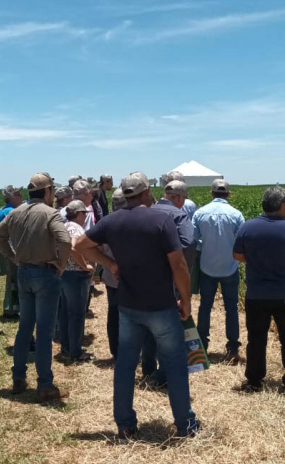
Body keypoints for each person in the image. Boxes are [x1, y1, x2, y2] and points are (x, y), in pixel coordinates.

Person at [75, 173, 199, 439]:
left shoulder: (112, 221)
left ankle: (125, 424)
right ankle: (185, 424)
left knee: (126, 365)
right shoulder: (162, 220)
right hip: (161, 306)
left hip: (128, 306)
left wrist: (109, 265)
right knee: (175, 364)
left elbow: (80, 244)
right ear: (145, 193)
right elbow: (179, 265)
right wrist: (186, 300)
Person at [0, 173, 72, 403]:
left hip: (23, 272)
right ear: (47, 191)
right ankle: (45, 385)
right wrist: (62, 264)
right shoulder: (50, 213)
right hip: (45, 273)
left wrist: (13, 257)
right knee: (44, 332)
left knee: (24, 327)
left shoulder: (16, 213)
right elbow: (65, 240)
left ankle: (18, 378)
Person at [233, 186, 285, 394]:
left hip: (257, 294)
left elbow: (237, 256)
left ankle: (254, 380)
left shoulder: (247, 228)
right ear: (282, 205)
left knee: (256, 339)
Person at [141, 180, 196, 383]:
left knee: (147, 326)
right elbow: (189, 242)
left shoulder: (146, 212)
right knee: (167, 328)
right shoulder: (178, 215)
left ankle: (147, 368)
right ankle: (164, 373)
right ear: (178, 198)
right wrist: (180, 266)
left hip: (145, 278)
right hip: (168, 279)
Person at [191, 178, 245, 363]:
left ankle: (202, 347)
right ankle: (232, 349)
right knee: (232, 309)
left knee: (205, 307)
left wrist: (205, 246)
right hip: (230, 267)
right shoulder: (236, 215)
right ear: (228, 194)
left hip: (207, 267)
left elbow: (193, 240)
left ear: (211, 193)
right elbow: (241, 241)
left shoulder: (200, 213)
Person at [58, 200, 95, 363]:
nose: (85, 217)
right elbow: (73, 248)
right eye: (84, 214)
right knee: (77, 314)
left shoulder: (64, 226)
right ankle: (75, 351)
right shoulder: (74, 228)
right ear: (78, 214)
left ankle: (67, 347)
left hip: (65, 273)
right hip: (76, 275)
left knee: (65, 312)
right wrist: (85, 265)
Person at [99, 189, 126, 359]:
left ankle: (116, 351)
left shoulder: (105, 222)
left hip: (111, 276)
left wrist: (107, 263)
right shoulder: (132, 221)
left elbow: (95, 247)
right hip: (129, 277)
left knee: (114, 312)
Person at [0, 185, 23, 319]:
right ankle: (10, 309)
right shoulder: (10, 212)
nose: (21, 196)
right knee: (13, 280)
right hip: (11, 251)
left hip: (11, 249)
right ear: (11, 197)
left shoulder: (9, 210)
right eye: (18, 194)